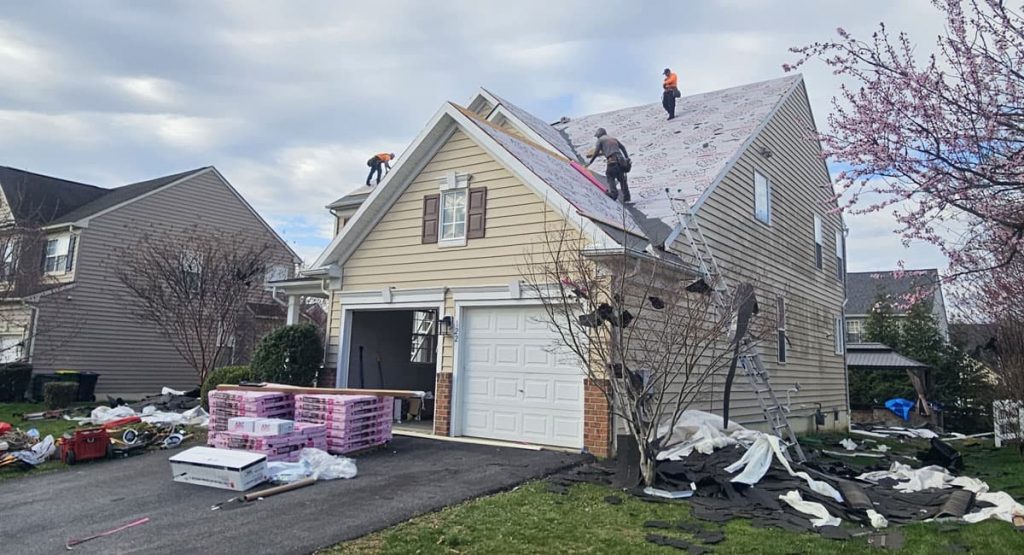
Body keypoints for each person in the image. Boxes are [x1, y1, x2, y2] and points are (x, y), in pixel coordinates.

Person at [586, 128, 631, 202]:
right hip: (621, 160)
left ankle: (614, 194)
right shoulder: (613, 139)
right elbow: (623, 147)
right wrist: (627, 158)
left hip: (612, 161)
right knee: (622, 178)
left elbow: (596, 152)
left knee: (610, 175)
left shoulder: (600, 140)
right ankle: (627, 197)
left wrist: (590, 162)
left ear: (599, 135)